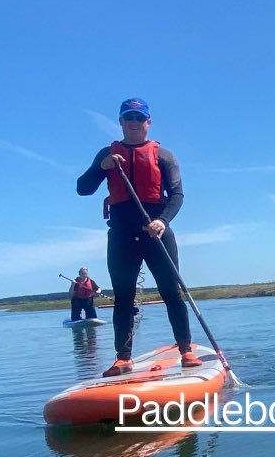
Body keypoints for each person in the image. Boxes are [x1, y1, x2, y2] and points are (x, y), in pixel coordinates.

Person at [77, 98, 202, 376]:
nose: (134, 122)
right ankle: (123, 358)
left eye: (139, 117)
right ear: (121, 122)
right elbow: (82, 188)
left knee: (172, 292)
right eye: (128, 117)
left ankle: (186, 349)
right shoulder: (106, 155)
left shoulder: (164, 155)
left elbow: (178, 195)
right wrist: (103, 167)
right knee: (124, 297)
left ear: (148, 122)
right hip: (122, 235)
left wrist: (162, 221)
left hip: (157, 232)